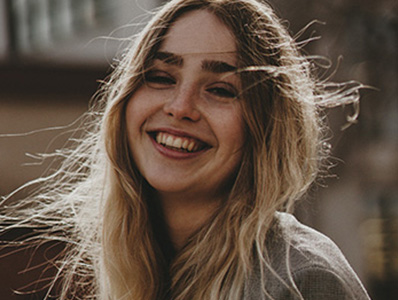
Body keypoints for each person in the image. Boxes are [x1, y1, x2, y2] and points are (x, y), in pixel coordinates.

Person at [0, 0, 371, 299]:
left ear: (265, 127)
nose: (180, 106)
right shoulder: (133, 267)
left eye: (221, 89)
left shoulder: (302, 280)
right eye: (161, 77)